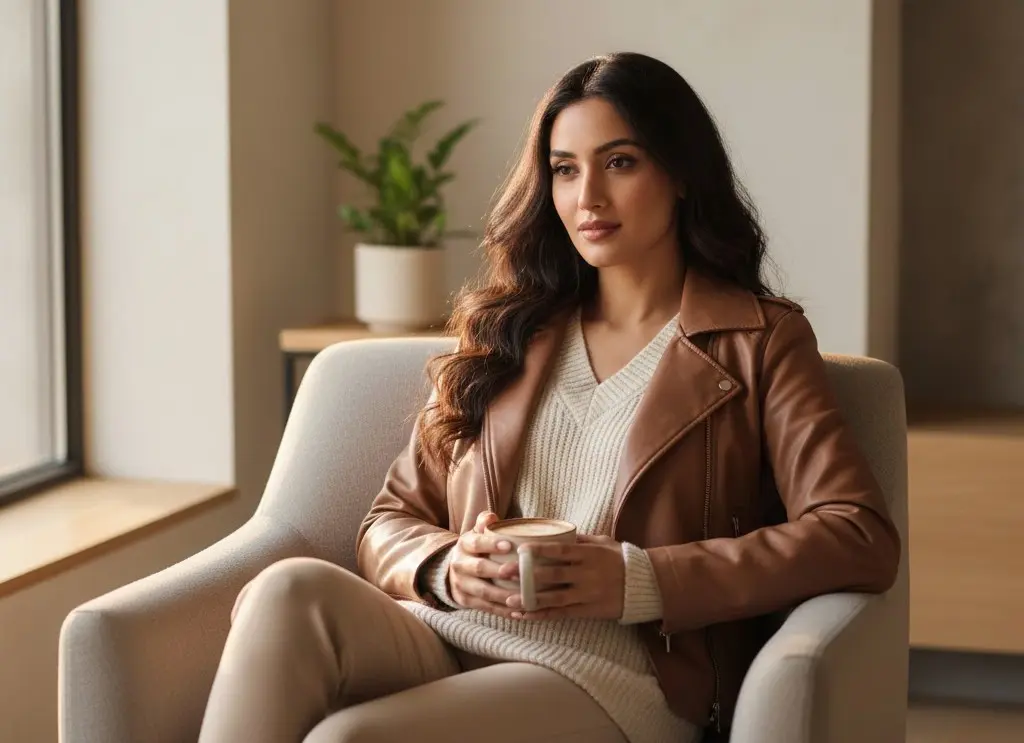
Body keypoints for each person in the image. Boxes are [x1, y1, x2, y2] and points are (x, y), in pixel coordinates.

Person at [198, 51, 900, 743]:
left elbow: (855, 533)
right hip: (450, 631)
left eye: (619, 162)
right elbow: (390, 518)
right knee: (285, 590)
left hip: (617, 676)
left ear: (681, 173)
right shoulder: (507, 330)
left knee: (349, 737)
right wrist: (445, 567)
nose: (587, 196)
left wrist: (641, 579)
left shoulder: (758, 339)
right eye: (565, 169)